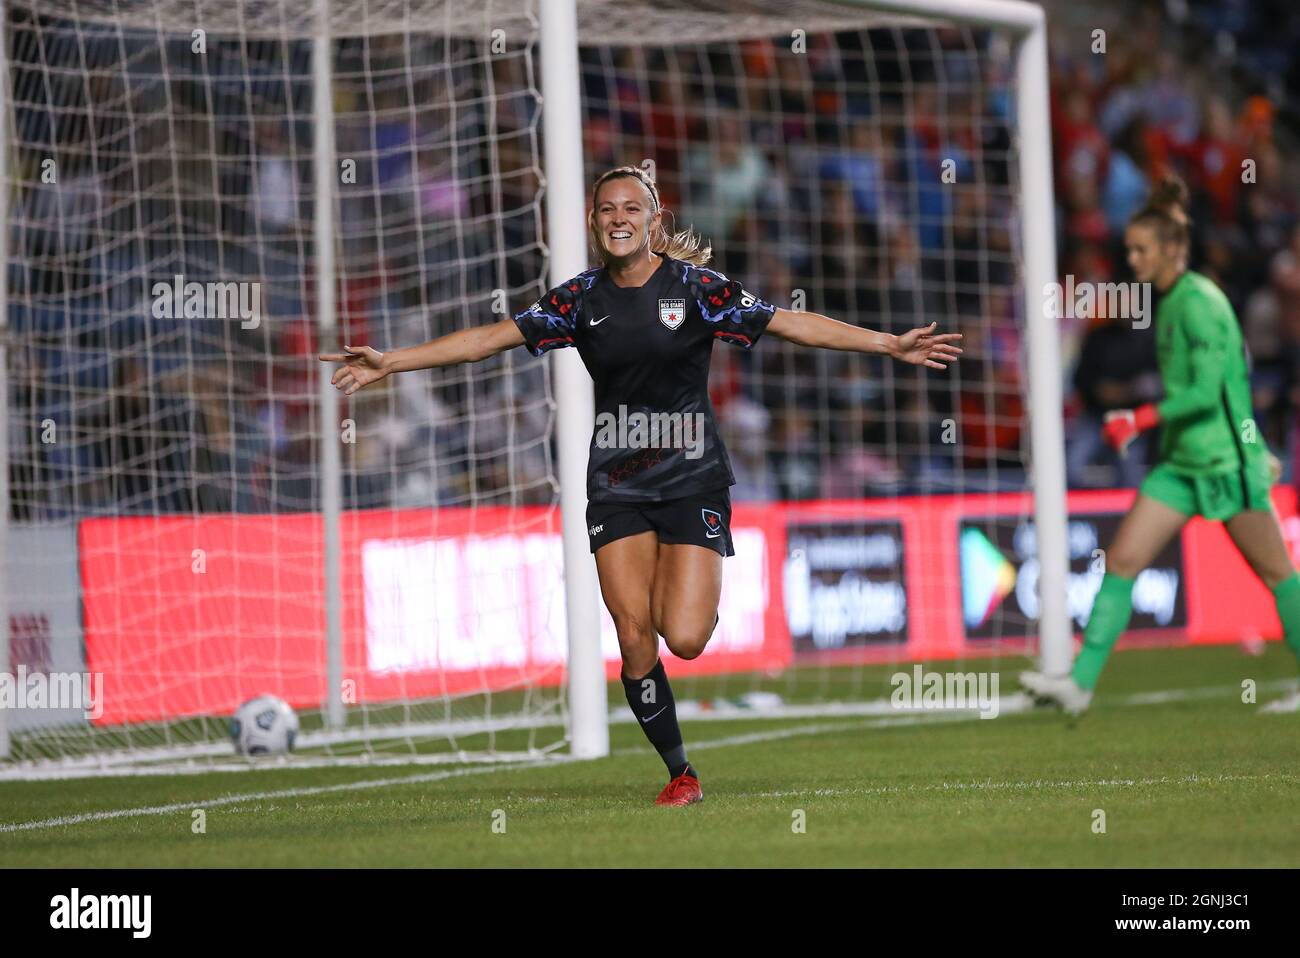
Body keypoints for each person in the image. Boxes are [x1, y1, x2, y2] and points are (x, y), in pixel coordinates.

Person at [321, 164, 963, 804]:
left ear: (654, 221)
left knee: (681, 637)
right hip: (617, 484)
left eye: (632, 208)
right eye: (607, 210)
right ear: (595, 223)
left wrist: (887, 344)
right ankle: (680, 772)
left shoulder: (699, 289)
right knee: (632, 632)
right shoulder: (578, 301)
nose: (619, 218)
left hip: (692, 481)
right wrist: (392, 361)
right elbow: (490, 339)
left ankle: (692, 583)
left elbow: (790, 323)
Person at [1021, 175, 1300, 715]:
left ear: (1173, 250)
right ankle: (1077, 685)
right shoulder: (1168, 301)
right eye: (1129, 248)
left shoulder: (1200, 303)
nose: (1132, 258)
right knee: (1123, 558)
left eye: (1140, 249)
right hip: (1180, 464)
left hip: (1226, 463)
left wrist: (1139, 418)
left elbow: (1207, 391)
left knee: (1277, 574)